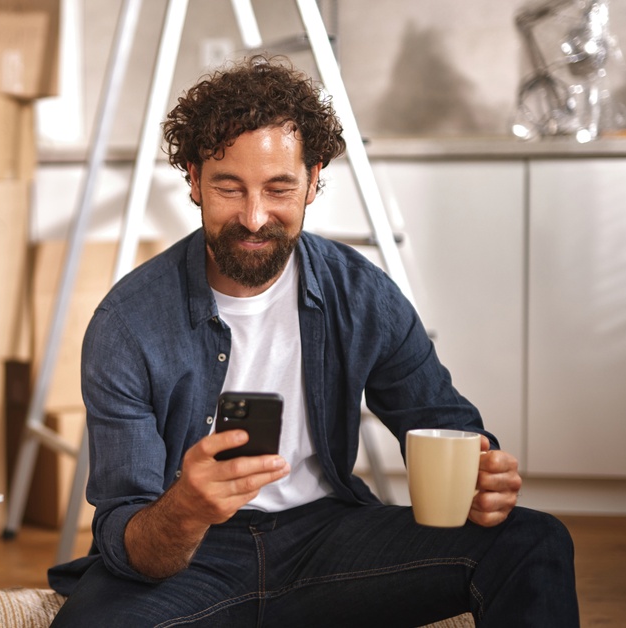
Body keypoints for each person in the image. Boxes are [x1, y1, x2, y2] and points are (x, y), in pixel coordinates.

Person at [47, 56, 578, 627]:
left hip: (330, 540)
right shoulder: (127, 324)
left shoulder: (361, 292)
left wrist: (484, 477)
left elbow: (443, 420)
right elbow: (130, 537)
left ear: (314, 179)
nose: (254, 218)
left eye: (279, 189)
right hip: (194, 559)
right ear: (195, 181)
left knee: (534, 540)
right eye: (229, 188)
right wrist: (185, 509)